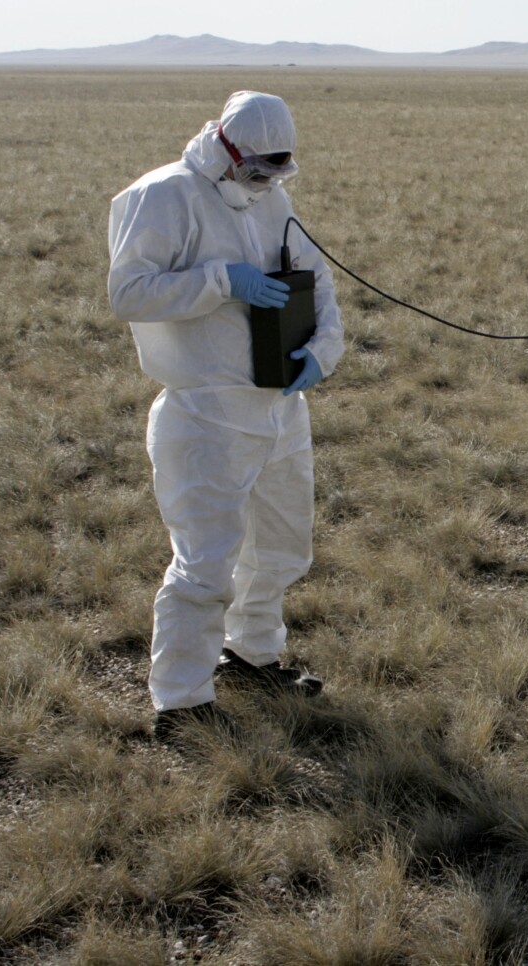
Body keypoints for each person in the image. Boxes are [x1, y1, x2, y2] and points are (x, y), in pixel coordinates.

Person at [108, 90, 346, 740]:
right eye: (258, 168)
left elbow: (316, 279)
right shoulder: (164, 196)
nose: (267, 181)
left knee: (280, 547)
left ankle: (251, 656)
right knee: (206, 561)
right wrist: (221, 280)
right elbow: (128, 292)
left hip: (280, 404)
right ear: (226, 147)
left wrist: (323, 349)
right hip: (206, 414)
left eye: (278, 169)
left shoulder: (273, 198)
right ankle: (181, 702)